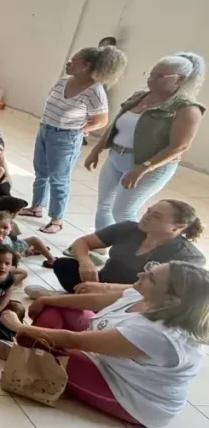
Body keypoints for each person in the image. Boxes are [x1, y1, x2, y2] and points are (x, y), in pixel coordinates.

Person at [0, 261, 209, 428]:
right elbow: (95, 301)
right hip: (105, 357)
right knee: (57, 311)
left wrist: (17, 327)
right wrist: (47, 300)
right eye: (150, 268)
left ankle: (29, 356)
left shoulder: (160, 335)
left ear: (172, 301)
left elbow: (74, 340)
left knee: (42, 341)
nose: (141, 274)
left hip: (129, 395)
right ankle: (29, 354)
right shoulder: (144, 293)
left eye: (151, 278)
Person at [85, 52, 205, 229]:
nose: (151, 79)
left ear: (179, 80)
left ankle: (132, 253)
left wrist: (143, 168)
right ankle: (100, 245)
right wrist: (96, 150)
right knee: (104, 205)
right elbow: (117, 125)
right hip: (116, 157)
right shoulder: (140, 96)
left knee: (123, 211)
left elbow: (179, 147)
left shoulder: (187, 108)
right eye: (151, 73)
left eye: (160, 76)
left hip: (149, 166)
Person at [21, 45, 126, 234]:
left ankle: (57, 219)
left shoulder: (95, 91)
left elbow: (102, 120)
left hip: (66, 136)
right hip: (45, 129)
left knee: (59, 178)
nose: (68, 63)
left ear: (86, 66)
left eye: (73, 61)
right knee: (41, 171)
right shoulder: (63, 81)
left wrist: (82, 129)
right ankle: (36, 207)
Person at [35, 200, 205, 296]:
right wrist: (85, 261)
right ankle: (85, 301)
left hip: (135, 296)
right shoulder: (129, 228)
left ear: (178, 227)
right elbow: (82, 242)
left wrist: (106, 289)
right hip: (101, 281)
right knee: (64, 265)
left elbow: (165, 293)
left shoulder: (189, 258)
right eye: (149, 211)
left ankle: (83, 303)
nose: (146, 217)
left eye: (156, 216)